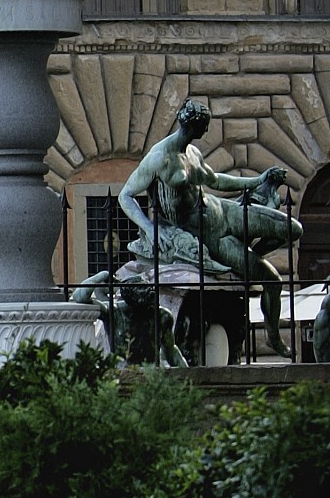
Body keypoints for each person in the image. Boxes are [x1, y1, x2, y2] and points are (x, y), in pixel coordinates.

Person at [118, 96, 300, 354]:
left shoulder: (192, 152)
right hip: (211, 238)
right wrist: (150, 228)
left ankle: (250, 260)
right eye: (205, 126)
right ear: (193, 126)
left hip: (223, 210)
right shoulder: (159, 158)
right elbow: (124, 195)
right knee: (273, 281)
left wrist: (256, 181)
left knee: (293, 229)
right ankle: (274, 337)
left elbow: (216, 181)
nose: (207, 131)